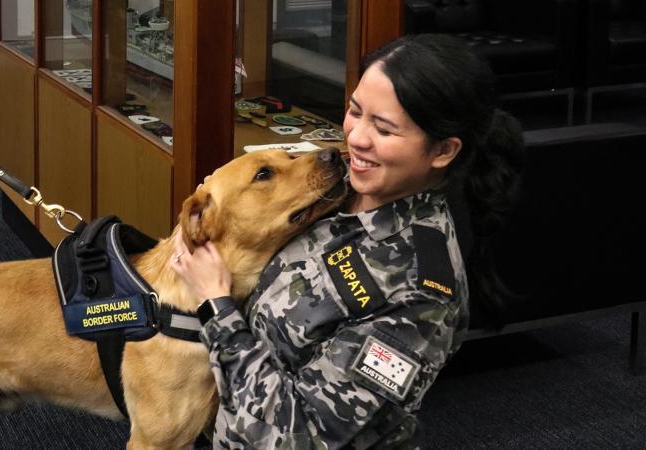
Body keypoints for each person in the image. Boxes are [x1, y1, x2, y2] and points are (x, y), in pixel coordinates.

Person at [170, 33, 524, 449]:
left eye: (384, 128)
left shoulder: (421, 298)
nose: (355, 137)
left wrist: (217, 306)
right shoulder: (339, 186)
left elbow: (297, 436)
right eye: (355, 111)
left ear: (443, 150)